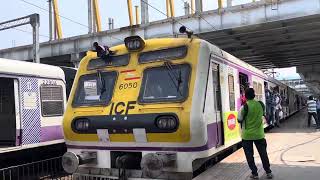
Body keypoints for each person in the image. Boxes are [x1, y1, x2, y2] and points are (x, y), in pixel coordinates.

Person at [238, 88, 273, 179]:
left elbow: (239, 119)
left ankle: (255, 173)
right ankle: (268, 172)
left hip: (247, 135)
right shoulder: (261, 104)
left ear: (245, 96)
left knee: (249, 156)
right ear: (254, 95)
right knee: (263, 154)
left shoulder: (244, 107)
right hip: (259, 134)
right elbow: (263, 114)